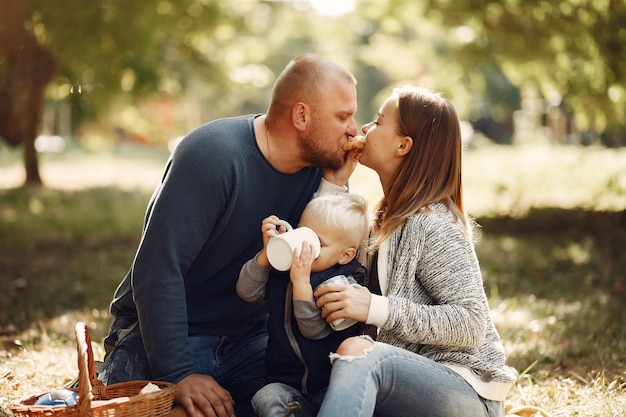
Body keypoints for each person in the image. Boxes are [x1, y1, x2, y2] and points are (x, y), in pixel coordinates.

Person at [99, 53, 360, 417]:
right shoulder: (214, 154)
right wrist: (180, 374)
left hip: (247, 341)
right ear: (302, 116)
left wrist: (332, 189)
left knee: (301, 405)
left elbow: (323, 266)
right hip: (162, 335)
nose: (354, 129)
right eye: (343, 116)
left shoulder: (323, 177)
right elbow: (158, 271)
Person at [314, 86, 518, 417]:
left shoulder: (432, 224)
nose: (364, 129)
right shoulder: (386, 218)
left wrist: (375, 307)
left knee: (359, 355)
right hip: (412, 383)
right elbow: (329, 249)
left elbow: (471, 323)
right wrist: (333, 188)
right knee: (280, 395)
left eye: (378, 122)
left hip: (466, 391)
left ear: (403, 145)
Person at [237, 192, 370, 417]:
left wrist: (301, 284)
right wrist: (265, 256)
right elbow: (246, 292)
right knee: (266, 397)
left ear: (345, 256)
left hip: (330, 389)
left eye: (317, 244)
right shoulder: (284, 269)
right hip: (287, 385)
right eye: (302, 233)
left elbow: (314, 331)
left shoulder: (343, 286)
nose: (303, 248)